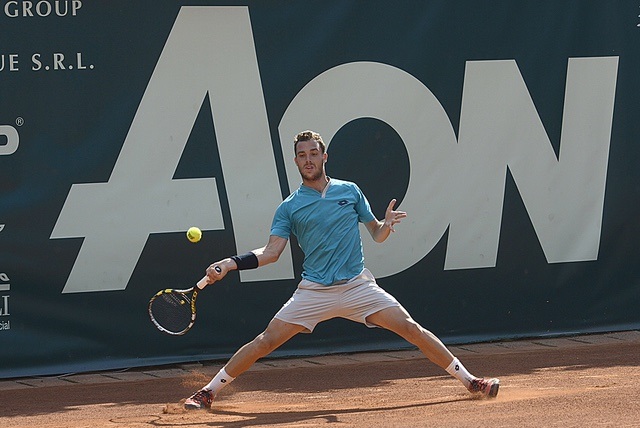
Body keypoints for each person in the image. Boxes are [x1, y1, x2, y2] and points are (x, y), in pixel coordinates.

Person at [184, 130, 499, 410]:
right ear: (295, 161)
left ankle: (472, 381)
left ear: (324, 156)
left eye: (313, 153)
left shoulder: (350, 191)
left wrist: (385, 226)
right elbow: (271, 253)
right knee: (266, 341)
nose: (308, 160)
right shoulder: (289, 206)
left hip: (357, 286)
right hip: (314, 290)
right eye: (302, 155)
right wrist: (231, 263)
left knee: (411, 329)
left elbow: (376, 233)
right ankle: (207, 392)